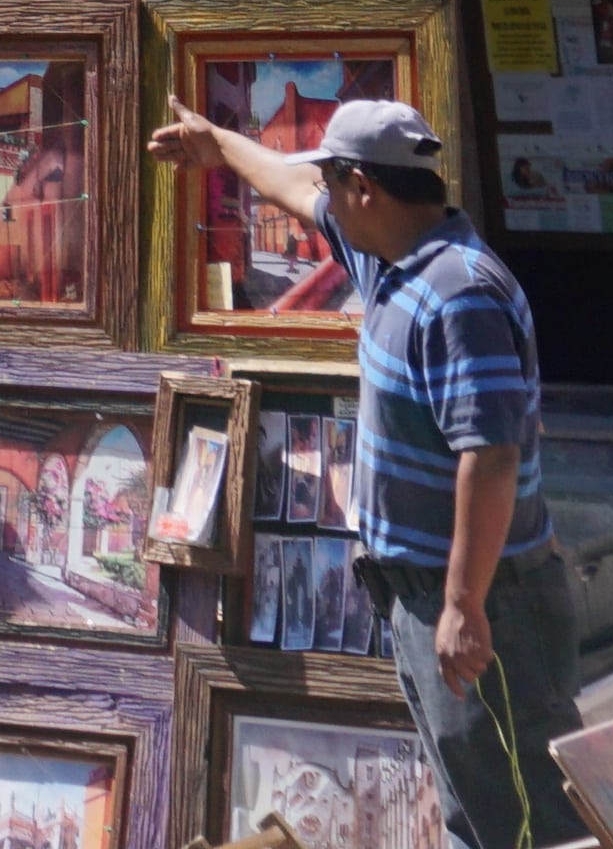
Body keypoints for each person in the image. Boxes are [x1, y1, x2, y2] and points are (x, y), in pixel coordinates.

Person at [155, 92, 580, 845]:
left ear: (366, 188)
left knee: (525, 818)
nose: (320, 195)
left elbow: (492, 454)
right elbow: (290, 186)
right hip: (418, 591)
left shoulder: (458, 295)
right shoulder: (389, 259)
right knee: (474, 804)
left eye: (333, 181)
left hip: (490, 603)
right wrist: (216, 143)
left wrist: (462, 603)